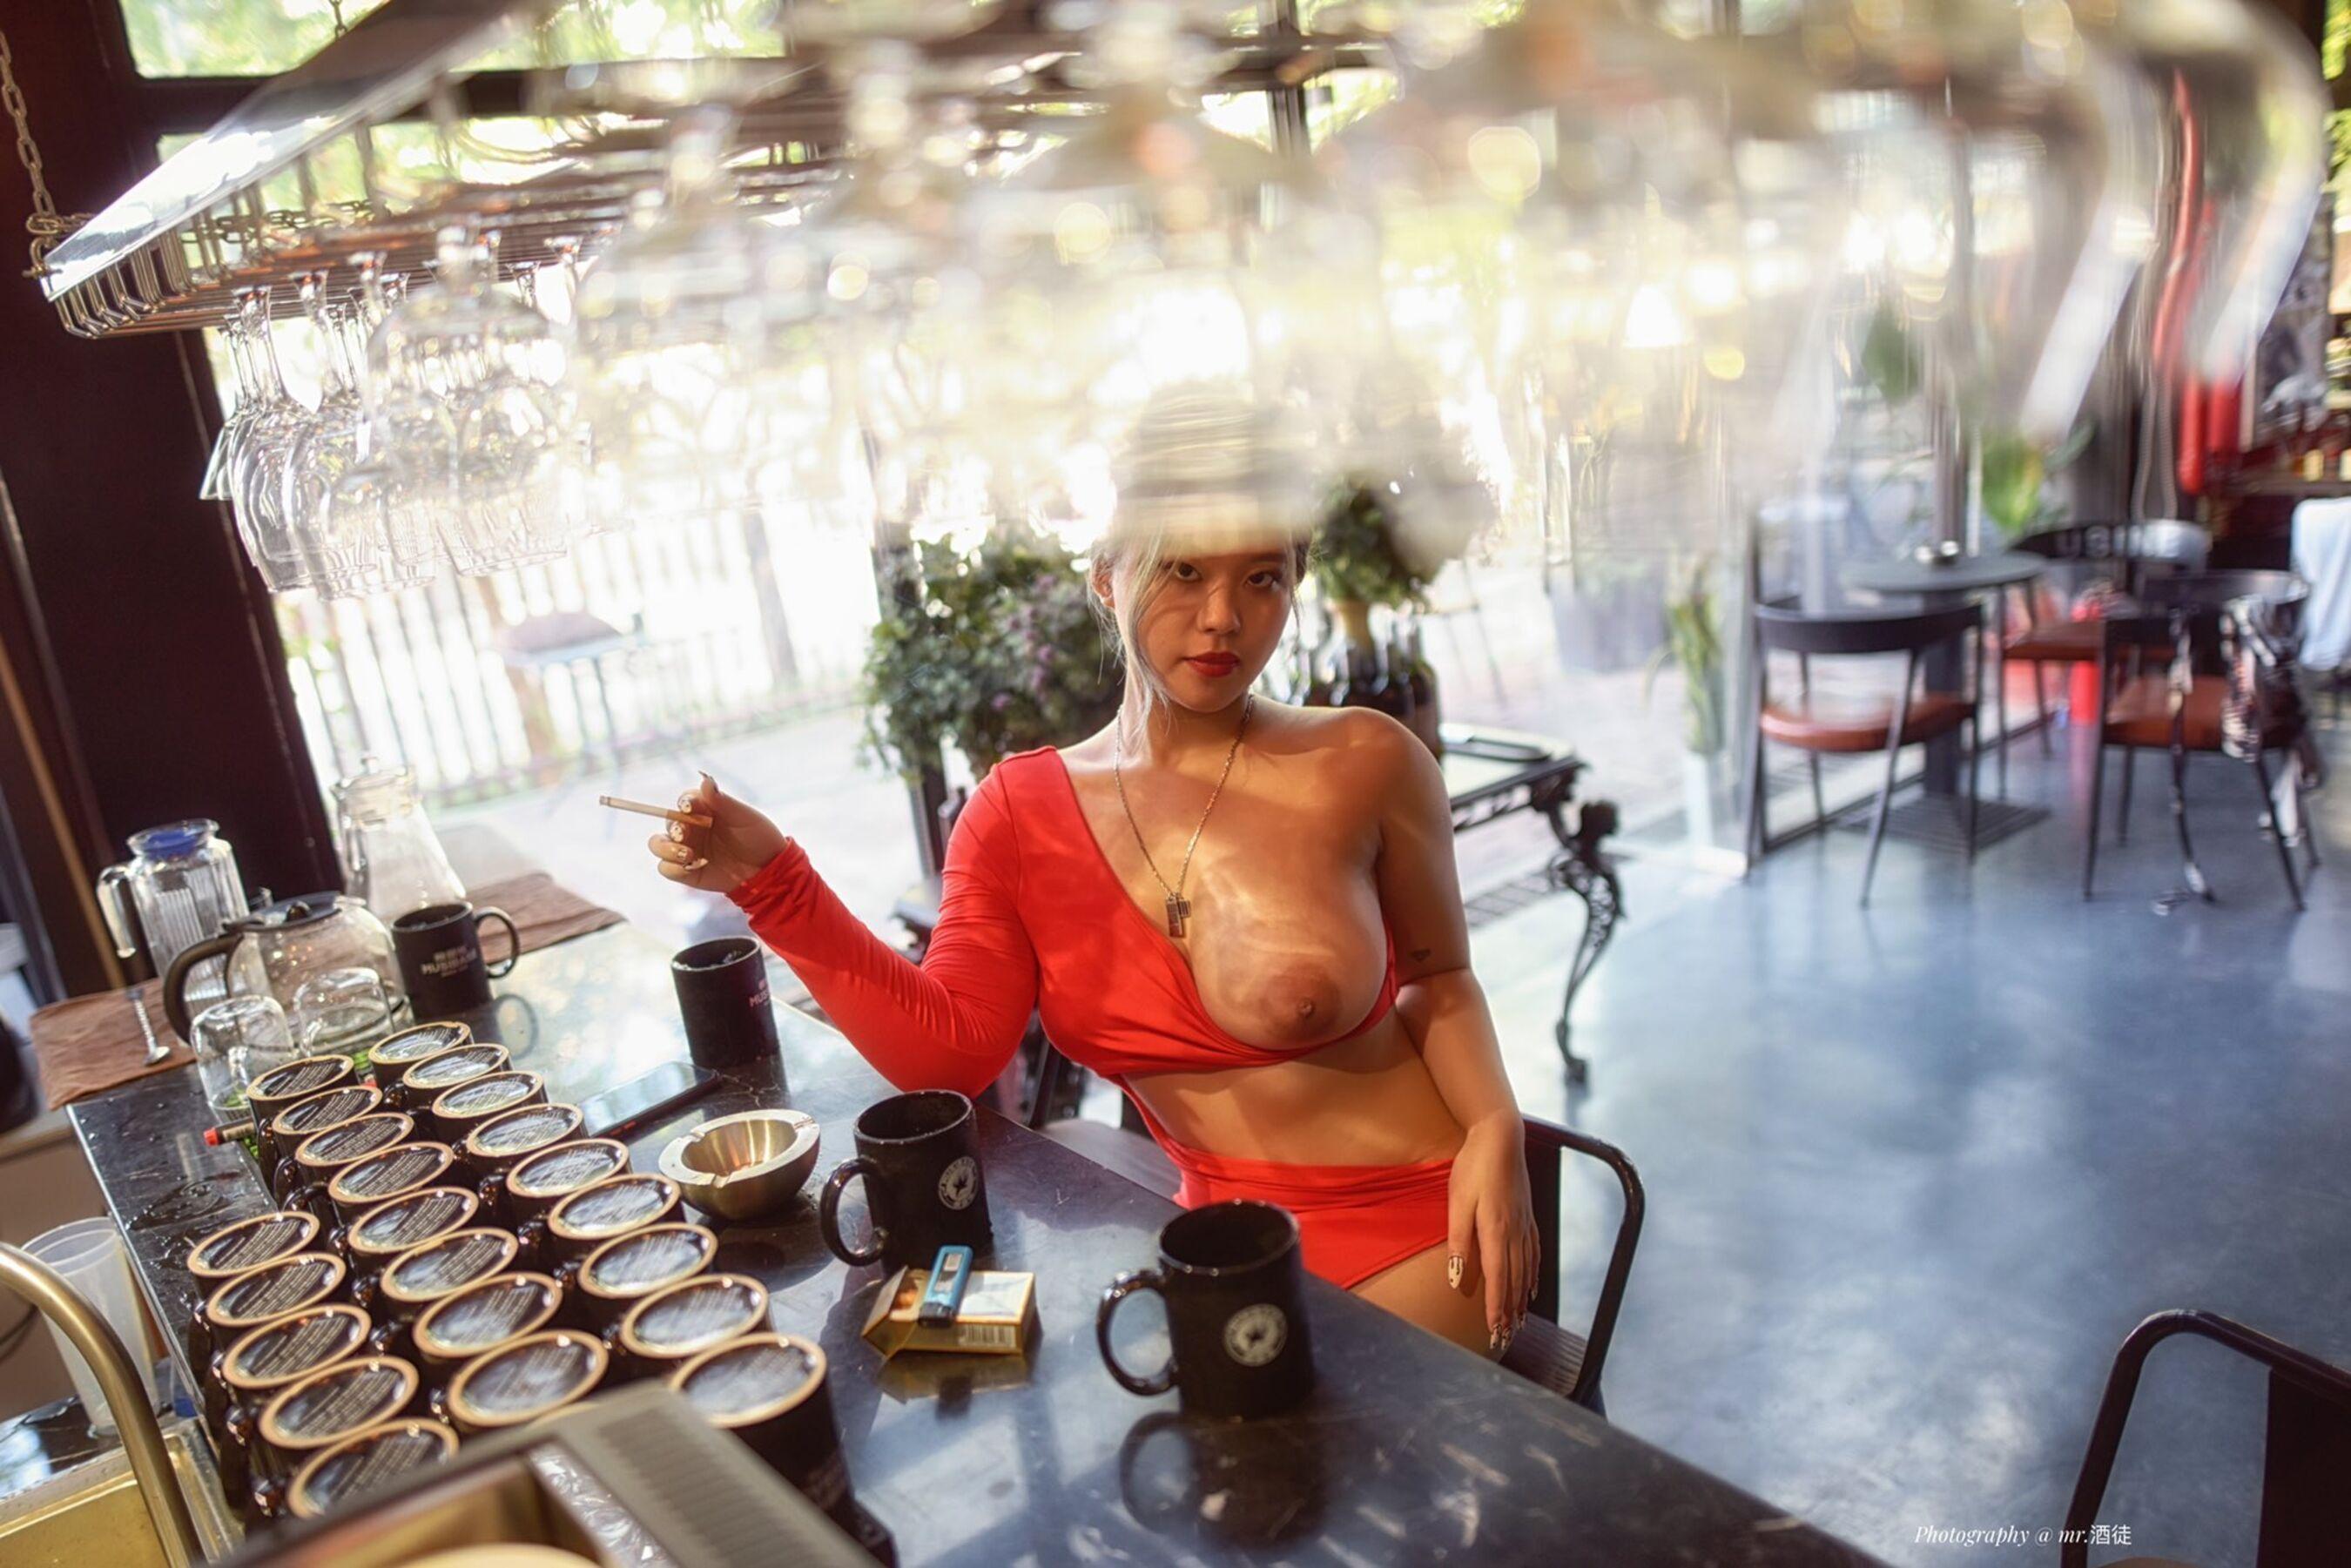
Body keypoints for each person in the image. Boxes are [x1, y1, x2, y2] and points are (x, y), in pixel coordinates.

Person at [646, 407, 1536, 1356]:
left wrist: (1496, 1126)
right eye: (1184, 570)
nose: (1224, 616)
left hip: (1418, 1221)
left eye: (1262, 577)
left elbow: (1439, 976)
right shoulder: (1015, 814)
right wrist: (775, 886)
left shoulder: (1365, 761)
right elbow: (951, 1056)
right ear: (1108, 575)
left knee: (1298, 1435)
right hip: (1219, 1243)